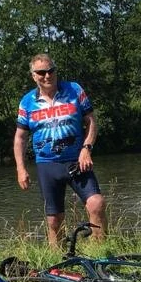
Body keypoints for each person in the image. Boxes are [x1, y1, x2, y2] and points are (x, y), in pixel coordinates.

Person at [14, 53, 106, 248]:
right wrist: (21, 168)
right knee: (54, 220)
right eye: (41, 72)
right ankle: (59, 262)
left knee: (96, 203)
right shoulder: (27, 102)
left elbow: (91, 121)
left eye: (50, 71)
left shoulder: (74, 90)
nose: (47, 76)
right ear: (33, 76)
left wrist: (86, 148)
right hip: (47, 164)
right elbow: (20, 137)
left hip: (76, 159)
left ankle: (102, 253)